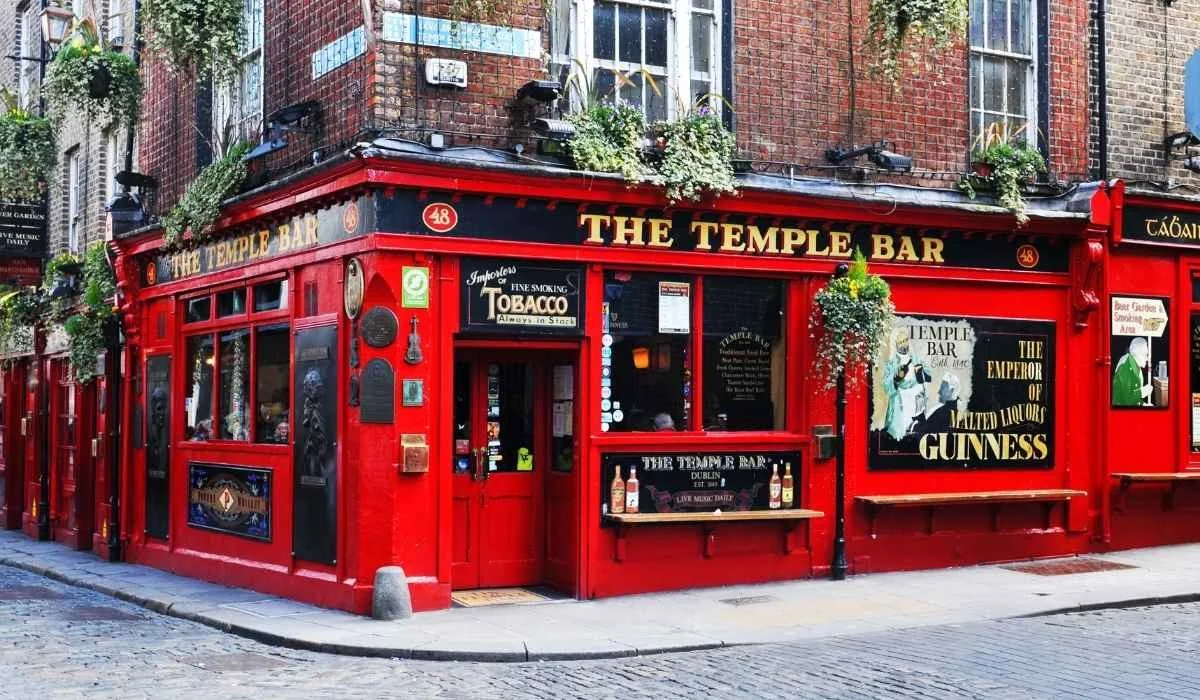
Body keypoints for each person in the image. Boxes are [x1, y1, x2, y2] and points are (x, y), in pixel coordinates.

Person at [881, 330, 931, 441]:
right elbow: (886, 387)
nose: (904, 344)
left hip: (917, 403)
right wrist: (897, 378)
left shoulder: (916, 359)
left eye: (905, 340)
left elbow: (929, 376)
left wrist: (921, 372)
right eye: (900, 342)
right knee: (901, 436)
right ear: (896, 344)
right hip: (901, 403)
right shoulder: (891, 363)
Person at [1113, 337, 1152, 407]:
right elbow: (1126, 400)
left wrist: (1143, 404)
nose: (1147, 359)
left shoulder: (1136, 367)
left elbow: (1134, 394)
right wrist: (1141, 392)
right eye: (1146, 355)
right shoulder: (1125, 369)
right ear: (1138, 354)